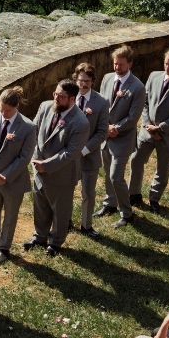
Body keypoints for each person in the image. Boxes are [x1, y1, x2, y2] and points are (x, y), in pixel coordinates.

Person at [23, 80, 89, 258]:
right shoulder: (45, 107)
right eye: (55, 94)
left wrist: (47, 165)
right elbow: (34, 132)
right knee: (40, 206)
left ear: (72, 99)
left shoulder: (80, 122)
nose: (56, 98)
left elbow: (70, 153)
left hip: (61, 175)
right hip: (39, 169)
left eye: (61, 97)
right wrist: (36, 159)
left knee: (60, 210)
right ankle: (40, 236)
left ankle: (56, 242)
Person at [128, 47, 169, 213]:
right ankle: (134, 194)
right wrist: (148, 125)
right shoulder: (154, 76)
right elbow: (145, 102)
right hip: (148, 131)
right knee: (136, 160)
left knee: (162, 169)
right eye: (166, 63)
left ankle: (154, 199)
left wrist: (160, 129)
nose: (167, 67)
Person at [0, 87, 33, 265]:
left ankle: (4, 247)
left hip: (13, 180)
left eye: (7, 110)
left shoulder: (28, 127)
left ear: (16, 106)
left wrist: (6, 176)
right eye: (1, 109)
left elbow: (25, 157)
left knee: (10, 215)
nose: (3, 113)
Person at [94, 45, 145, 226]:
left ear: (130, 64)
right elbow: (100, 104)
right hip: (106, 137)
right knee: (108, 173)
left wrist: (115, 128)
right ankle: (110, 204)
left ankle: (127, 213)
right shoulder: (107, 78)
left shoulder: (138, 87)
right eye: (115, 64)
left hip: (122, 138)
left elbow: (133, 117)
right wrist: (104, 127)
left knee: (116, 176)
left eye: (121, 64)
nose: (117, 67)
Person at [70, 64, 109, 240]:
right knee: (67, 190)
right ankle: (66, 221)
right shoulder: (68, 98)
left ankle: (86, 226)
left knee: (88, 192)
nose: (83, 84)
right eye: (81, 81)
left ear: (93, 82)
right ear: (75, 80)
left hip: (89, 154)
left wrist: (84, 150)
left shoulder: (101, 102)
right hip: (69, 156)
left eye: (87, 81)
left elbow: (102, 132)